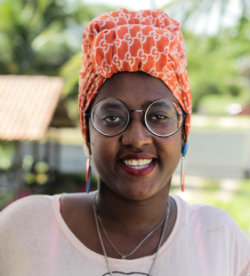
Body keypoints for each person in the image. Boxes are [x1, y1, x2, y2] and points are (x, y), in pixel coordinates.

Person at [0, 8, 249, 276]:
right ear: (87, 133)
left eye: (158, 116)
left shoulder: (218, 238)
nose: (137, 138)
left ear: (184, 132)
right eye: (113, 118)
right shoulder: (25, 230)